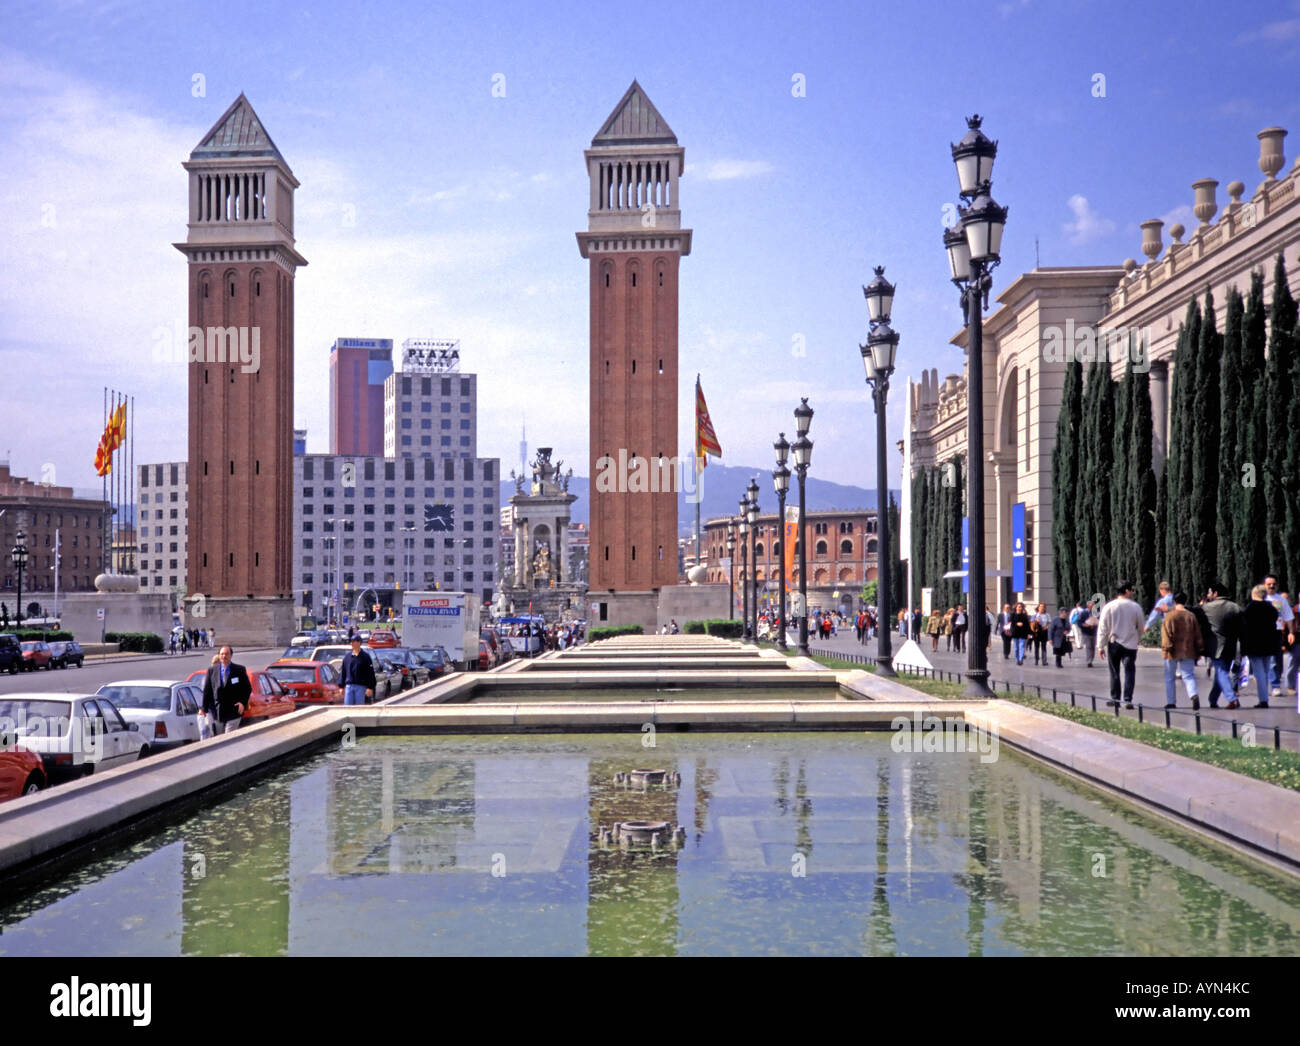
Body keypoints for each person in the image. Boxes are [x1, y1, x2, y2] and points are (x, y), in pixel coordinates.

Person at [1097, 581, 1145, 708]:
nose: (1133, 593)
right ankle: (1128, 699)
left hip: (1114, 643)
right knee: (1129, 671)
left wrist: (1100, 646)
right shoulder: (1135, 607)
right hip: (1130, 644)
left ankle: (1115, 699)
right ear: (1127, 591)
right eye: (1132, 590)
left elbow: (1103, 627)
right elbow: (1140, 627)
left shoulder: (1109, 606)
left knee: (1114, 671)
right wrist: (1138, 639)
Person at [1201, 581, 1241, 709]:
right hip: (1231, 646)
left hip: (1215, 646)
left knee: (1221, 671)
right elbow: (1243, 628)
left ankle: (1232, 698)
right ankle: (1213, 699)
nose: (1208, 594)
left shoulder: (1207, 608)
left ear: (1215, 593)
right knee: (1221, 673)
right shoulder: (1235, 607)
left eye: (1209, 592)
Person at [1239, 584, 1279, 709]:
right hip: (1269, 644)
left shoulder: (1249, 609)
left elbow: (1244, 628)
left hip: (1254, 645)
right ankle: (1264, 697)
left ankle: (1263, 700)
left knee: (1259, 673)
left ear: (1253, 594)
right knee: (1266, 671)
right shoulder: (1271, 608)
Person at [1160, 591, 1203, 709]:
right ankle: (1193, 694)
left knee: (1169, 677)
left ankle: (1171, 702)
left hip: (1172, 651)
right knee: (1188, 675)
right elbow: (1197, 635)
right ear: (1185, 601)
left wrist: (1166, 649)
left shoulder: (1169, 616)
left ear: (1174, 602)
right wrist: (1199, 650)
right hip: (1188, 650)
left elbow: (1166, 635)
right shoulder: (1191, 616)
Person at [201, 645, 250, 735]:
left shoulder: (239, 670)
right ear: (219, 655)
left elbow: (247, 688)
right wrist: (203, 708)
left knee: (228, 737)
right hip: (218, 711)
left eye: (226, 654)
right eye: (222, 654)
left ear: (231, 655)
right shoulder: (212, 670)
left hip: (234, 711)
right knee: (218, 738)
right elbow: (207, 690)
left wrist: (243, 703)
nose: (224, 656)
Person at [1263, 575, 1294, 698]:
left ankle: (1274, 682)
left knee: (1278, 660)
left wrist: (1291, 632)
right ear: (1264, 585)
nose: (1271, 586)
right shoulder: (1261, 598)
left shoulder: (1281, 599)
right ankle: (1275, 686)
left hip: (1277, 632)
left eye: (1273, 584)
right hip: (1264, 633)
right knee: (1271, 661)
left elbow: (1289, 616)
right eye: (1269, 584)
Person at [340, 636, 376, 706]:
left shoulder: (365, 657)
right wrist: (341, 686)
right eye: (351, 641)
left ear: (359, 643)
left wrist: (370, 687)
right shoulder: (347, 657)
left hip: (360, 687)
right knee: (347, 708)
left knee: (359, 708)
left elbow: (370, 673)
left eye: (353, 641)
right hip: (349, 686)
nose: (351, 643)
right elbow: (343, 672)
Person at [1078, 600, 1099, 667]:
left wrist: (1096, 623)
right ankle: (1089, 661)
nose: (1092, 607)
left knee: (1093, 646)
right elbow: (1079, 622)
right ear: (1088, 606)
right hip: (1086, 632)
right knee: (1088, 646)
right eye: (1091, 606)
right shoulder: (1083, 613)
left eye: (1093, 606)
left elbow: (1099, 620)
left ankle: (1091, 659)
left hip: (1093, 631)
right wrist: (1084, 625)